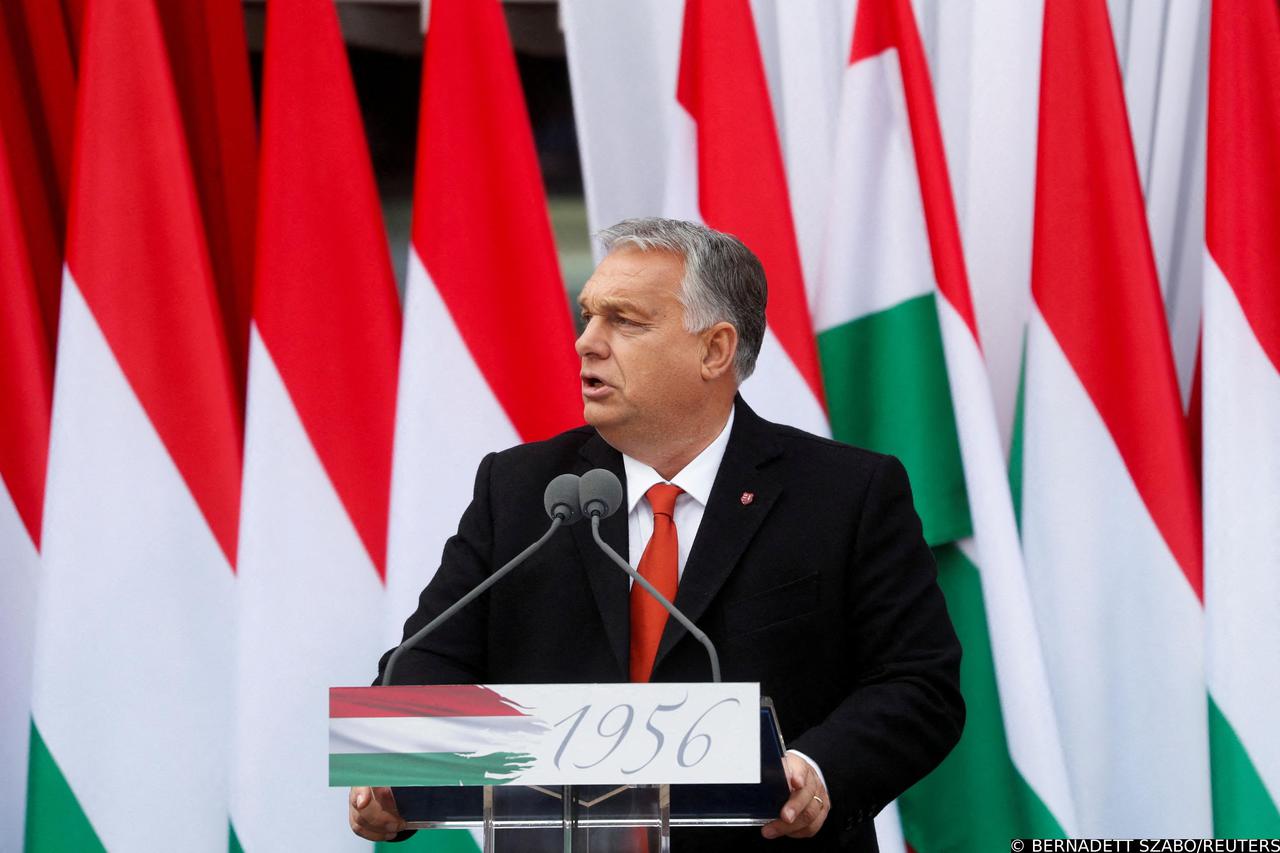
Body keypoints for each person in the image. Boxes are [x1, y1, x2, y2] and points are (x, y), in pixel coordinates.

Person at [349, 218, 964, 850]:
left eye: (625, 321)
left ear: (714, 350)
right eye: (588, 317)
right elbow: (426, 660)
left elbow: (918, 686)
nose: (588, 342)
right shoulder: (522, 490)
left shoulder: (844, 494)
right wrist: (398, 776)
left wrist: (814, 771)